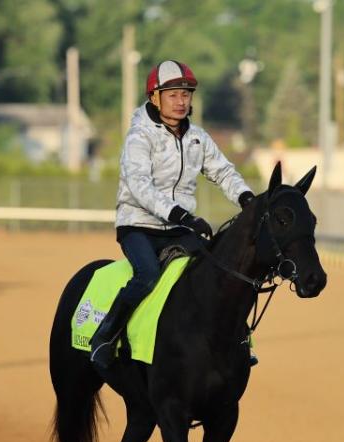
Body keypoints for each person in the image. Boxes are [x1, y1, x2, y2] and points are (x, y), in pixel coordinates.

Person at [89, 59, 255, 370]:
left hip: (178, 226)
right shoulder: (139, 136)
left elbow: (223, 172)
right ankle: (106, 337)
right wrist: (180, 214)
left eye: (186, 95)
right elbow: (138, 185)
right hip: (138, 226)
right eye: (173, 95)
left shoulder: (198, 138)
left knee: (218, 271)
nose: (181, 102)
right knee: (148, 274)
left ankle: (236, 340)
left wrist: (246, 198)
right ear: (154, 97)